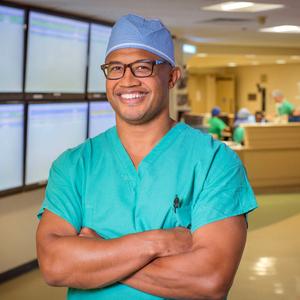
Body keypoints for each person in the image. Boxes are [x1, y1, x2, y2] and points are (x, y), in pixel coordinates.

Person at [36, 14, 257, 300]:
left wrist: (98, 254)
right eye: (115, 68)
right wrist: (156, 243)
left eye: (143, 67)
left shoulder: (215, 162)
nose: (127, 81)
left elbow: (209, 280)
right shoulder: (74, 165)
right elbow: (54, 265)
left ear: (172, 77)